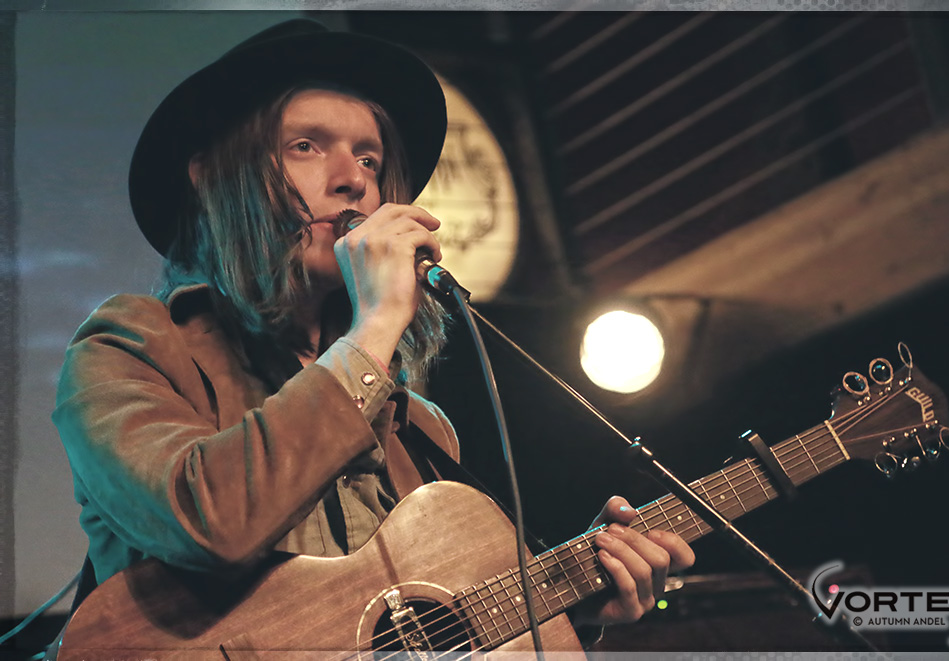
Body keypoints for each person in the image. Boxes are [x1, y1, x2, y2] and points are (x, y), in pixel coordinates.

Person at [52, 19, 694, 652]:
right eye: (305, 146)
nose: (352, 178)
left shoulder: (420, 427)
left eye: (369, 157)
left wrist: (567, 605)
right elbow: (206, 521)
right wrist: (377, 325)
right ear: (213, 175)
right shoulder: (131, 344)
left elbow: (420, 636)